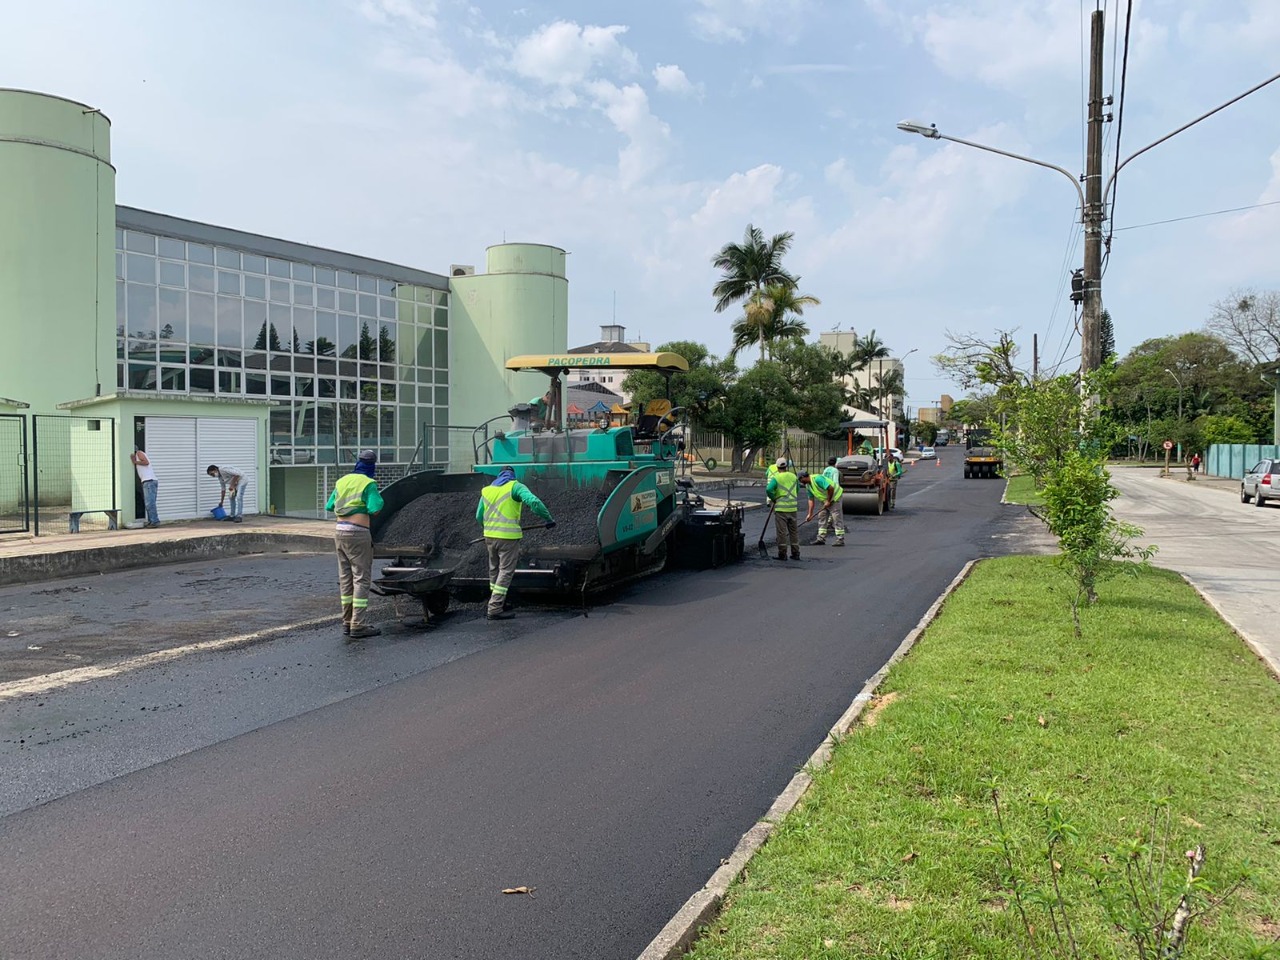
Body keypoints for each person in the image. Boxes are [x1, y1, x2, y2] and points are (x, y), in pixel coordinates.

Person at [477, 465, 555, 621]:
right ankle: (495, 608)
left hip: (489, 537)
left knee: (494, 570)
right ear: (512, 475)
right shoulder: (515, 486)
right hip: (508, 538)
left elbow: (479, 515)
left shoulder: (487, 490)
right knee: (505, 571)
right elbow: (534, 502)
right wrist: (548, 519)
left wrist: (488, 529)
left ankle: (499, 601)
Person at [324, 449, 385, 639]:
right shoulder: (368, 483)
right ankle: (358, 624)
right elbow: (375, 508)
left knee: (346, 577)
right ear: (372, 466)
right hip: (358, 534)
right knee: (361, 578)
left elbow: (329, 505)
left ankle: (346, 621)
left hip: (339, 532)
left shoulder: (342, 481)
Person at [765, 457, 801, 561]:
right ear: (786, 466)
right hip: (793, 508)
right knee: (793, 531)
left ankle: (782, 554)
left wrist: (773, 498)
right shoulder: (793, 476)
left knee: (782, 532)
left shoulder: (776, 478)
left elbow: (769, 489)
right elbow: (797, 489)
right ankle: (796, 553)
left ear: (777, 467)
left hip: (781, 509)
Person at [800, 468, 845, 546]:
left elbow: (831, 488)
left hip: (835, 497)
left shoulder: (817, 479)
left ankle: (840, 539)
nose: (800, 482)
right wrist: (810, 514)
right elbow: (811, 500)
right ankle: (821, 538)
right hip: (825, 499)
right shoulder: (808, 486)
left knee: (836, 517)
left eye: (800, 480)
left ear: (803, 477)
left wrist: (828, 501)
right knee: (822, 516)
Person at [131, 448, 160, 528]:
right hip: (148, 481)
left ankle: (154, 521)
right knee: (149, 503)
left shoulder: (139, 453)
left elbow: (146, 462)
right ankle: (152, 521)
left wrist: (135, 462)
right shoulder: (137, 455)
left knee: (150, 503)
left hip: (149, 481)